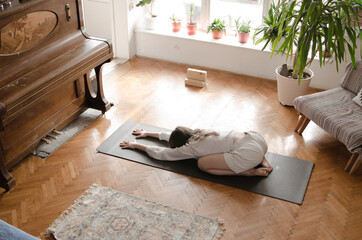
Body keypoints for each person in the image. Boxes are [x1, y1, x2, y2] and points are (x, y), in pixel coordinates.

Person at [119, 126, 273, 176]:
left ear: (179, 145)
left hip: (249, 153)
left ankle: (250, 171)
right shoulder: (200, 132)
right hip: (257, 140)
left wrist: (136, 145)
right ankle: (262, 159)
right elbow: (170, 134)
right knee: (235, 147)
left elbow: (162, 154)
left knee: (202, 164)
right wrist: (147, 133)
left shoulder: (190, 148)